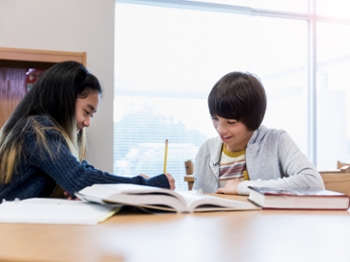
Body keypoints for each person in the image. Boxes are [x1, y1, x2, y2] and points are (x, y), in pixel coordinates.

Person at [0, 61, 175, 201]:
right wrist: (147, 185)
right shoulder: (38, 131)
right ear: (64, 101)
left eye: (91, 115)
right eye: (86, 112)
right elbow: (80, 178)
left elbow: (83, 172)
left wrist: (78, 190)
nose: (87, 122)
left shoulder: (38, 130)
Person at [192, 71, 324, 195]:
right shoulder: (207, 151)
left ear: (252, 119)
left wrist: (242, 187)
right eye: (215, 119)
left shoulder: (276, 141)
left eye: (231, 122)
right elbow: (197, 199)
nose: (220, 129)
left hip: (266, 219)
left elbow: (313, 182)